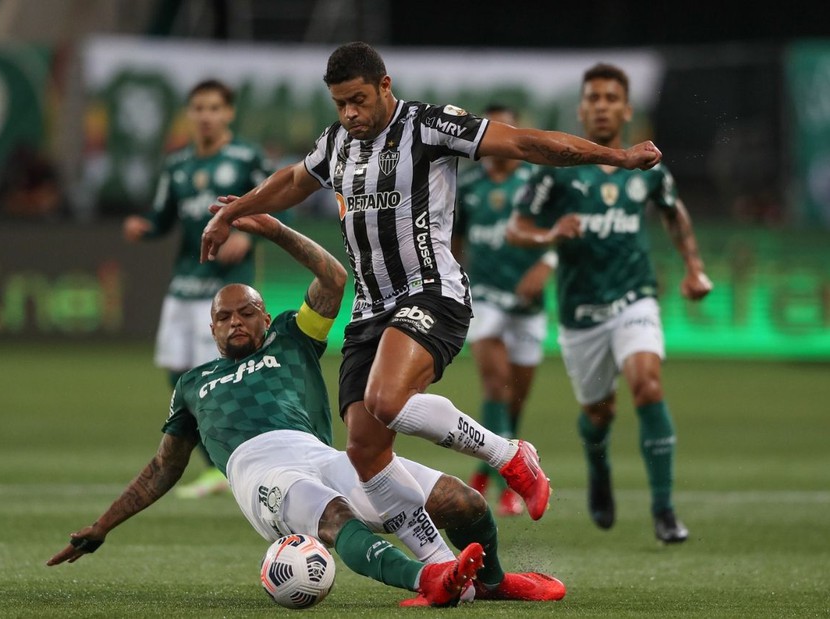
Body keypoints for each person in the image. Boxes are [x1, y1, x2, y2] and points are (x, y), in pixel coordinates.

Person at [200, 41, 663, 556]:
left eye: (359, 99)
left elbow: (527, 144)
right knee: (365, 452)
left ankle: (510, 455)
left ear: (385, 86)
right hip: (369, 311)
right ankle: (439, 568)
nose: (351, 113)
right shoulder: (336, 143)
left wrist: (615, 157)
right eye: (340, 104)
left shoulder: (430, 126)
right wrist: (232, 212)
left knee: (387, 400)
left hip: (431, 294)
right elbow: (291, 181)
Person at [48, 209, 567, 606]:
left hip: (321, 455)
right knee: (338, 518)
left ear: (263, 314)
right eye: (223, 317)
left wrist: (274, 230)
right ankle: (431, 578)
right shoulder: (193, 383)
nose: (235, 323)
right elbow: (164, 466)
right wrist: (102, 525)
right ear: (211, 329)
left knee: (461, 502)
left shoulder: (291, 337)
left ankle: (493, 583)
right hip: (260, 473)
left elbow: (334, 280)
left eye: (246, 312)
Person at [506, 63, 713, 543]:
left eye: (609, 97)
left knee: (647, 384)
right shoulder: (557, 172)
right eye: (593, 97)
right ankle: (598, 467)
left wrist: (694, 266)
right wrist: (550, 233)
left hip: (634, 298)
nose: (601, 105)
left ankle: (664, 510)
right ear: (581, 109)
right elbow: (516, 228)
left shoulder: (647, 168)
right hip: (581, 314)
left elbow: (674, 213)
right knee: (599, 412)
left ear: (626, 108)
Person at [123, 78, 271, 499]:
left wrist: (250, 236)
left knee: (225, 378)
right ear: (189, 115)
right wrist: (145, 228)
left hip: (227, 292)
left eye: (214, 108)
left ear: (229, 113)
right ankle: (215, 468)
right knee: (178, 375)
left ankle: (241, 461)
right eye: (198, 108)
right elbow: (163, 216)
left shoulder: (246, 159)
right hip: (184, 285)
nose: (206, 116)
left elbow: (273, 202)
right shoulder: (177, 165)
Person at [452, 104, 557, 517]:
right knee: (496, 386)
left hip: (529, 304)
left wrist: (546, 264)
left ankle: (484, 467)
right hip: (486, 296)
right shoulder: (469, 184)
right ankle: (509, 484)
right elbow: (454, 240)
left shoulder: (537, 183)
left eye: (506, 128)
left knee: (515, 398)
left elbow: (562, 232)